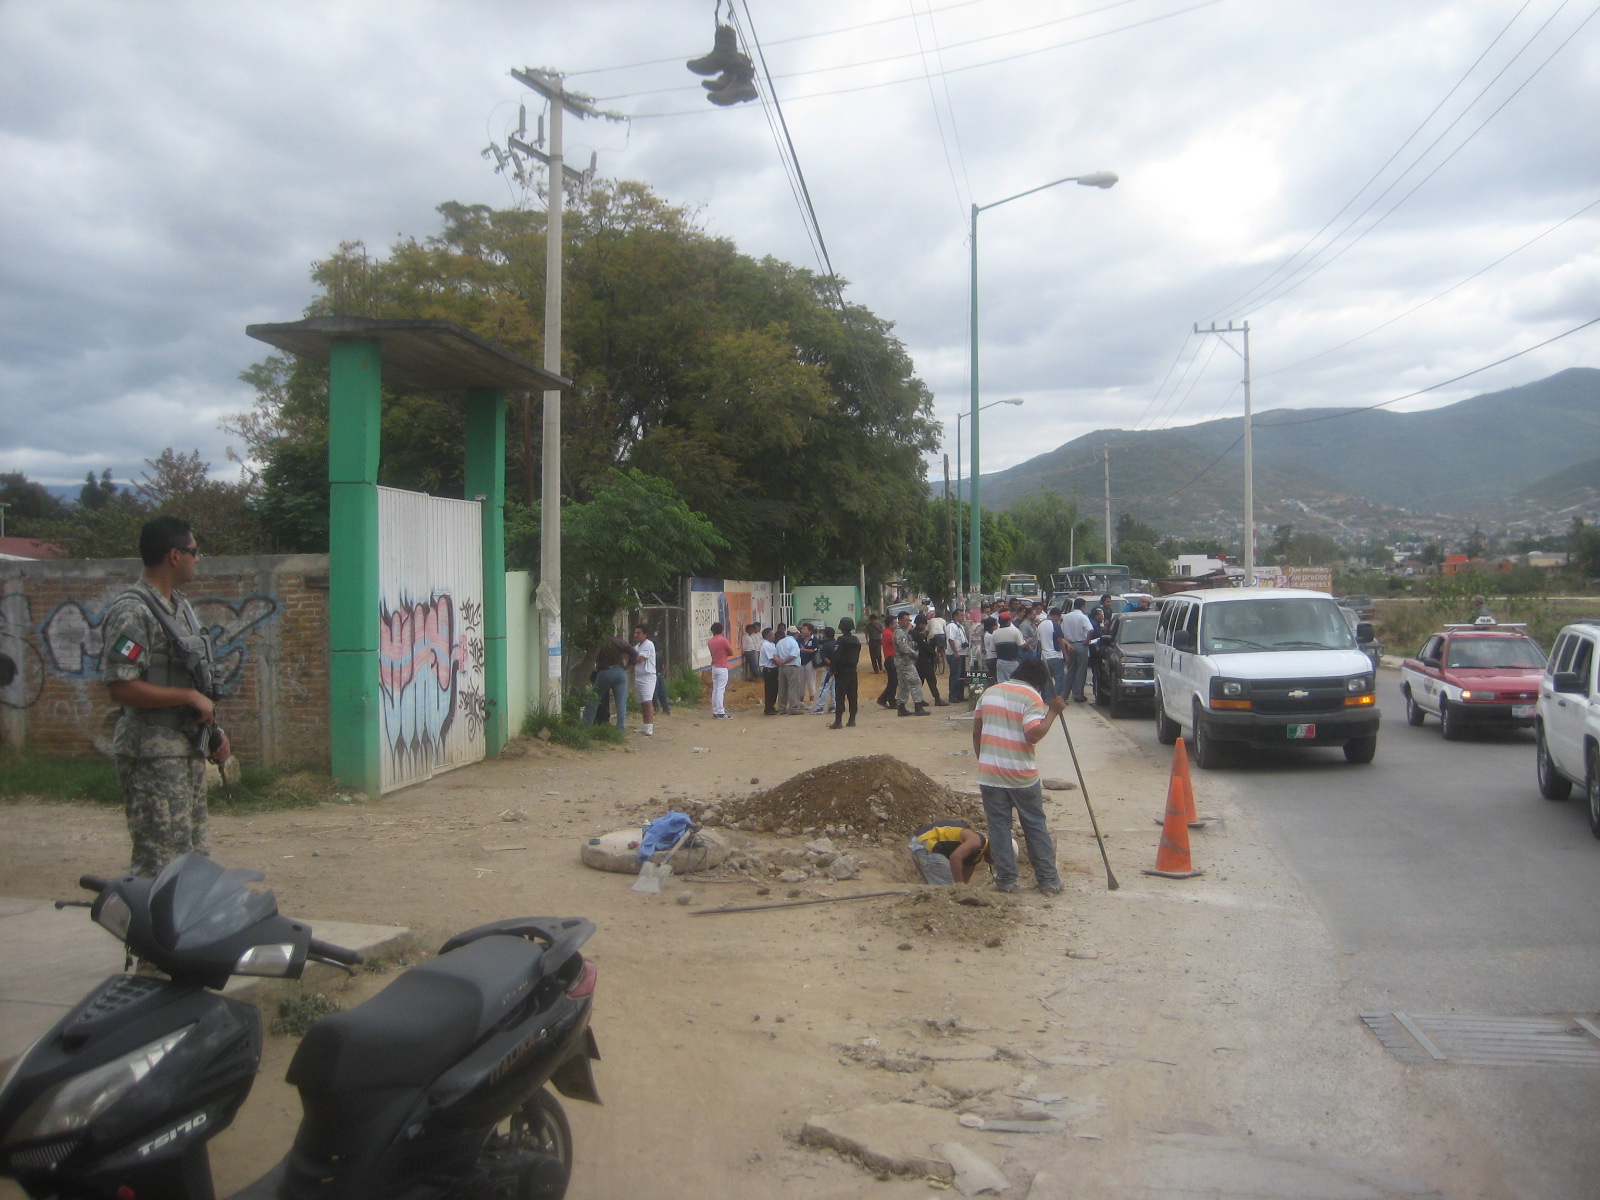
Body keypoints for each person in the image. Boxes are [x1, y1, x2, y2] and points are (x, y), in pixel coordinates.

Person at [101, 515, 230, 876]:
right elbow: (120, 685)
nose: (198, 559)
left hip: (185, 749)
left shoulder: (181, 609)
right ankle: (151, 933)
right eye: (194, 552)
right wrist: (188, 697)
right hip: (151, 754)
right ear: (174, 556)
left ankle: (186, 930)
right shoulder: (133, 612)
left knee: (193, 860)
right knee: (160, 864)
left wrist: (213, 730)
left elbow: (196, 679)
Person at [972, 658, 1067, 895]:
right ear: (1039, 683)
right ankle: (1048, 881)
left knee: (999, 828)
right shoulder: (1031, 696)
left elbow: (977, 733)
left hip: (990, 774)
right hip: (1021, 775)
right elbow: (1033, 734)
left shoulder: (989, 693)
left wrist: (984, 761)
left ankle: (1006, 880)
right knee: (1034, 826)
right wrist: (1053, 712)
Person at [909, 821, 989, 885]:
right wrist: (959, 887)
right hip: (926, 844)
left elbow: (965, 880)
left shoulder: (976, 853)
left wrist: (964, 888)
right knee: (949, 889)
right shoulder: (976, 841)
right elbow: (955, 857)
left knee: (938, 890)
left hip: (921, 844)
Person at [588, 630, 635, 730]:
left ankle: (586, 725)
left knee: (594, 699)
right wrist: (628, 666)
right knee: (621, 701)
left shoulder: (599, 643)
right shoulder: (619, 642)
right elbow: (634, 653)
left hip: (604, 672)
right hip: (619, 671)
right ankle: (620, 728)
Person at [829, 616, 862, 728]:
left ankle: (838, 721)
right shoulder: (856, 640)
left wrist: (832, 669)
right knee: (853, 696)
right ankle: (852, 719)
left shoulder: (841, 640)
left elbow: (836, 656)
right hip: (853, 670)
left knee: (840, 696)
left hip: (842, 672)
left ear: (841, 628)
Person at [893, 610, 928, 715]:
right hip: (905, 662)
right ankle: (918, 706)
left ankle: (901, 707)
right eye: (905, 620)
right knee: (915, 682)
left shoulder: (903, 632)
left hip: (904, 662)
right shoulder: (900, 633)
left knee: (903, 685)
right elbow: (903, 647)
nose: (908, 622)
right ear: (899, 620)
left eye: (909, 620)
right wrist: (914, 653)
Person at [1061, 599, 1094, 703]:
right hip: (1081, 644)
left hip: (1069, 645)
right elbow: (1090, 630)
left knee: (1070, 670)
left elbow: (1062, 633)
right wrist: (1087, 640)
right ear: (1083, 606)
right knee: (1081, 671)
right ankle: (1078, 695)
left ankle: (1065, 695)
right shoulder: (1083, 617)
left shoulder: (1066, 617)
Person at [913, 613, 946, 706]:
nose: (925, 626)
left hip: (920, 661)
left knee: (920, 681)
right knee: (931, 680)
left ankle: (919, 699)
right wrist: (933, 653)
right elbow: (925, 646)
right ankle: (937, 699)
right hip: (924, 661)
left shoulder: (915, 633)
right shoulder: (918, 634)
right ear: (920, 623)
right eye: (924, 624)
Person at [631, 624, 659, 735]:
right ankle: (645, 724)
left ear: (645, 634)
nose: (636, 635)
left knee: (647, 701)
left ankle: (649, 726)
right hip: (639, 676)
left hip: (648, 677)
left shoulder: (648, 644)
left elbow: (639, 659)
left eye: (639, 633)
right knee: (642, 702)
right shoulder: (638, 646)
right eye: (635, 632)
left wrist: (630, 656)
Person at [707, 621, 734, 719]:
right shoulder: (723, 640)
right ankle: (721, 712)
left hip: (714, 666)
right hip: (722, 666)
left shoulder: (710, 641)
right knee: (720, 689)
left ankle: (715, 711)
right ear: (721, 630)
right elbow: (731, 652)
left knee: (715, 689)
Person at [775, 625, 804, 714]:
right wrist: (785, 662)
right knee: (793, 687)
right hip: (791, 666)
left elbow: (775, 654)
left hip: (781, 667)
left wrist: (780, 662)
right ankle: (793, 708)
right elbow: (793, 655)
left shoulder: (780, 642)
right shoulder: (793, 642)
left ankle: (781, 708)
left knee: (782, 688)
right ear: (795, 634)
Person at [990, 610, 1025, 683]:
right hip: (1012, 661)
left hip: (1000, 662)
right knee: (1014, 682)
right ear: (1009, 621)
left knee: (1002, 683)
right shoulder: (1015, 631)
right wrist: (1027, 642)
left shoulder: (995, 633)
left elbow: (992, 649)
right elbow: (1022, 645)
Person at [1039, 606, 1066, 700]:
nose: (1059, 620)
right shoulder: (1055, 625)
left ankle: (1049, 698)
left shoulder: (1040, 625)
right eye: (1059, 618)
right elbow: (1060, 641)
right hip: (1056, 656)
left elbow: (1039, 643)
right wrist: (1065, 654)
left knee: (1047, 680)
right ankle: (1058, 698)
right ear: (1056, 616)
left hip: (1044, 657)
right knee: (1059, 678)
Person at [810, 626, 837, 714]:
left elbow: (825, 658)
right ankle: (833, 705)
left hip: (829, 669)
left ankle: (819, 707)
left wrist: (831, 666)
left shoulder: (825, 646)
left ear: (825, 635)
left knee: (824, 687)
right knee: (833, 688)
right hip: (837, 668)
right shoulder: (836, 643)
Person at [877, 617, 899, 708]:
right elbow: (897, 641)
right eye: (895, 623)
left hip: (892, 659)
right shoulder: (888, 633)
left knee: (893, 682)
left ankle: (891, 700)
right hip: (891, 660)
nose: (896, 625)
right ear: (890, 624)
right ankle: (884, 698)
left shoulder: (890, 632)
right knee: (893, 682)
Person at [946, 616, 969, 703]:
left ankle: (960, 695)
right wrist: (955, 653)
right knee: (955, 675)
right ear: (956, 616)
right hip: (955, 654)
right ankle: (953, 695)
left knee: (961, 676)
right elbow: (951, 640)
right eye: (961, 615)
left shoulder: (960, 626)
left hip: (962, 653)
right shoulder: (952, 626)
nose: (963, 617)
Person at [798, 622, 820, 704]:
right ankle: (801, 701)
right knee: (801, 682)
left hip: (810, 662)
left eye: (804, 629)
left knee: (811, 682)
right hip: (801, 662)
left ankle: (811, 701)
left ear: (810, 631)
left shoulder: (814, 639)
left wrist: (805, 650)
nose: (802, 630)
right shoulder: (800, 639)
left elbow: (815, 650)